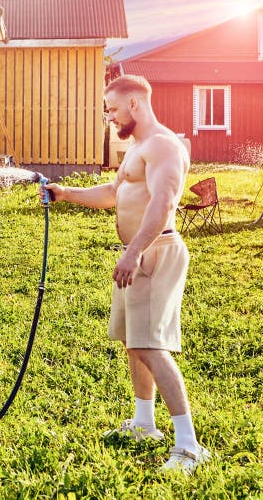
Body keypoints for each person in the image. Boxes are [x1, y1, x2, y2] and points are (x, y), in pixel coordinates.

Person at [42, 75, 210, 473]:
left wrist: (134, 252)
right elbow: (113, 194)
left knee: (152, 345)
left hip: (154, 252)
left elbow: (164, 204)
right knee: (134, 342)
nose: (110, 117)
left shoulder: (163, 146)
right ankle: (144, 424)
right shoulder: (137, 150)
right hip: (134, 254)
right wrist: (65, 194)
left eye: (112, 109)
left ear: (134, 104)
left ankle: (189, 446)